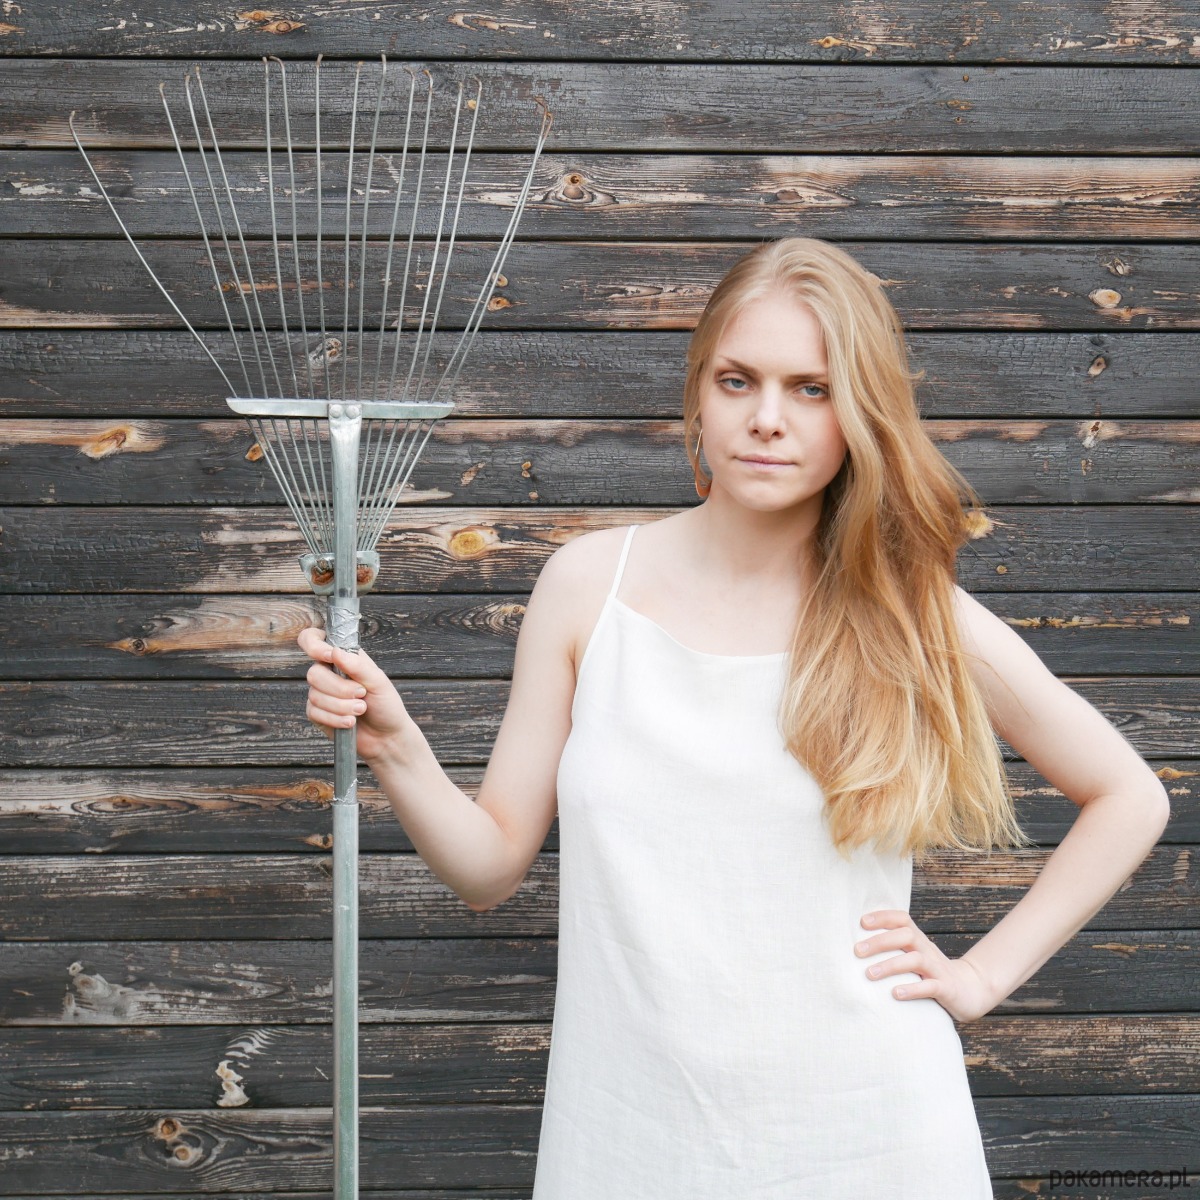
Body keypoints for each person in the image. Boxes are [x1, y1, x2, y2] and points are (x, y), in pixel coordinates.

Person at [298, 237, 1170, 1198]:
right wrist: (396, 748)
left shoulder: (909, 615)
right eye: (738, 380)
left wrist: (982, 977)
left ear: (860, 413)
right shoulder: (587, 587)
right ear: (698, 396)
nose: (766, 418)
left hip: (870, 1141)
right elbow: (489, 866)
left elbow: (1129, 796)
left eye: (811, 389)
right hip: (629, 1141)